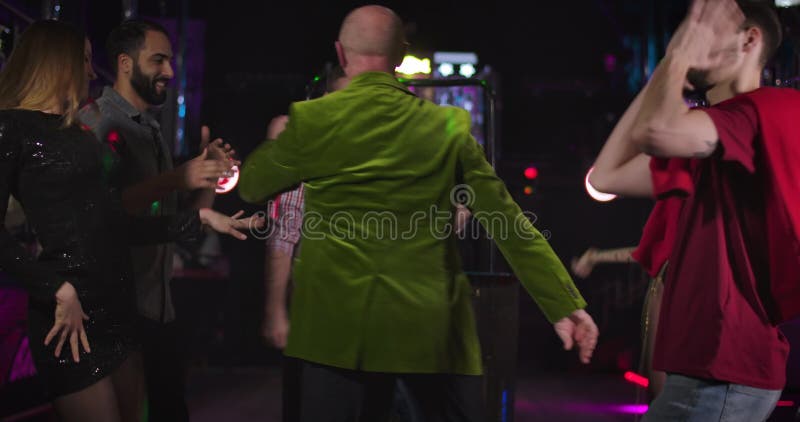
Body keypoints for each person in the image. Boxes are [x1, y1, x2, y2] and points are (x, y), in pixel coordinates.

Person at [239, 6, 598, 421]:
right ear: (400, 56)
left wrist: (282, 142)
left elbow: (252, 185)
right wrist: (561, 304)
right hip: (430, 333)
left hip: (332, 333)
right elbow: (509, 222)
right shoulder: (448, 125)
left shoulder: (313, 120)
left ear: (340, 53)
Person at [0, 20, 258, 422]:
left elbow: (112, 221)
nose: (90, 70)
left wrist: (200, 218)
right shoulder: (14, 128)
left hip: (119, 307)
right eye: (83, 60)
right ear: (55, 60)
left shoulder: (81, 136)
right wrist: (55, 288)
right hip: (70, 315)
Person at [590, 1, 794, 420]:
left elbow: (654, 131)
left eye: (708, 25)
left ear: (749, 39)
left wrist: (679, 58)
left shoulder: (767, 109)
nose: (691, 32)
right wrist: (670, 65)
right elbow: (606, 176)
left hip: (724, 370)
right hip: (710, 371)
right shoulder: (712, 134)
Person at [78, 20, 237, 422]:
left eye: (171, 60)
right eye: (159, 60)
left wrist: (208, 178)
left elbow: (169, 220)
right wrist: (179, 177)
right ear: (126, 63)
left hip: (157, 308)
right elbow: (99, 213)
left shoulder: (147, 127)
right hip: (119, 312)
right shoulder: (99, 122)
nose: (169, 71)